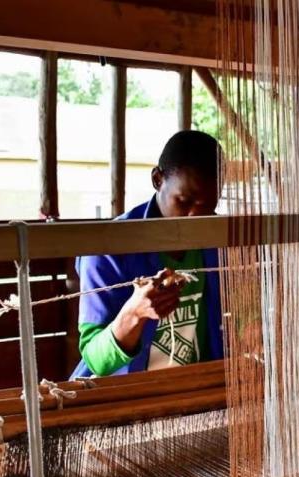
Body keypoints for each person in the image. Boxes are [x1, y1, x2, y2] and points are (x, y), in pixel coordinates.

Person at [71, 130, 224, 378]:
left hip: (197, 395)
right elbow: (96, 361)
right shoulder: (107, 250)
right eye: (184, 201)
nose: (195, 217)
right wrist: (134, 313)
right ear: (157, 179)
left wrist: (250, 330)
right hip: (129, 398)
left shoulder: (218, 240)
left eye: (208, 206)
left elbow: (239, 323)